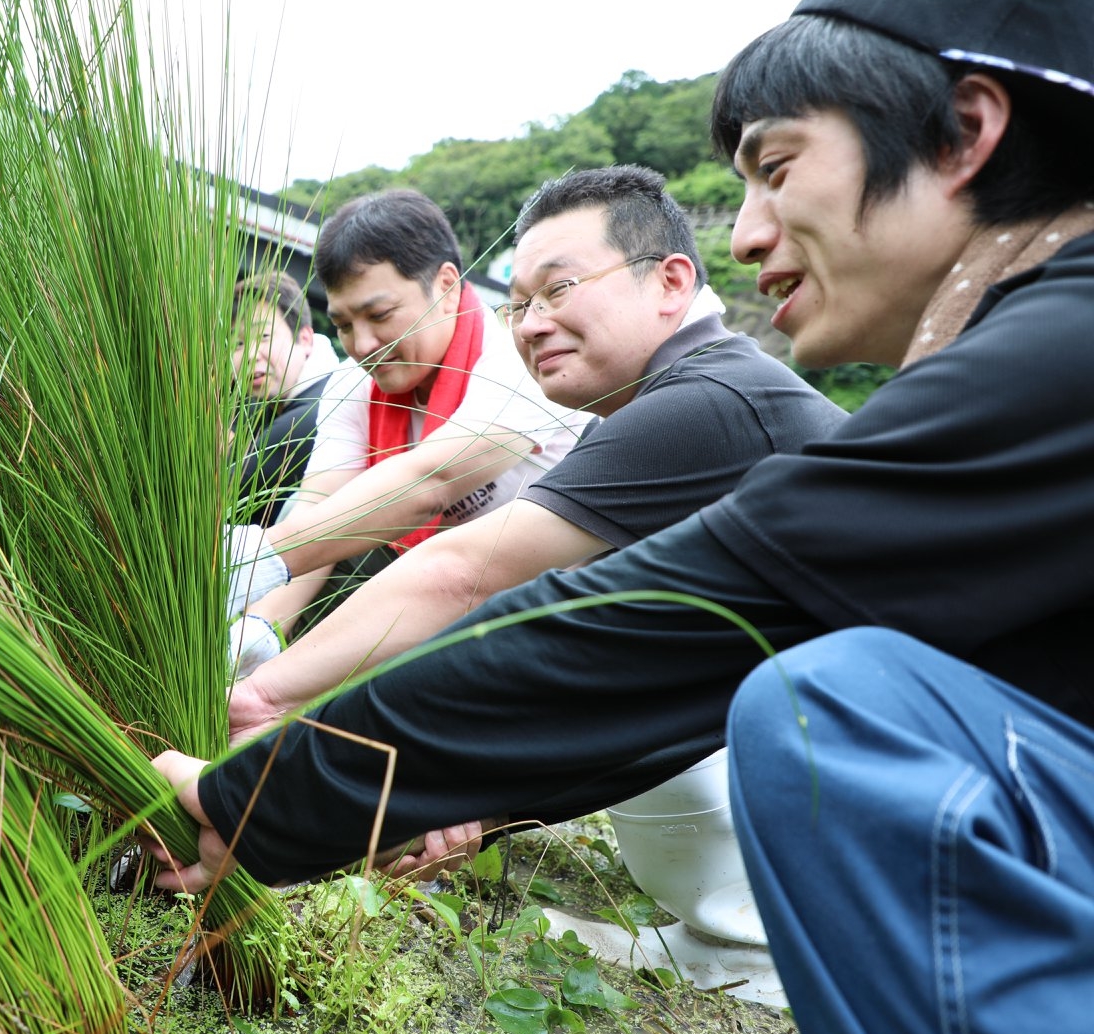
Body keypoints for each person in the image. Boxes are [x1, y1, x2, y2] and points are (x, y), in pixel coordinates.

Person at [154, 0, 1094, 1034]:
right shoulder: (1028, 344)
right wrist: (440, 796)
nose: (746, 231)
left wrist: (269, 787)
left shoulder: (1017, 357)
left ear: (966, 133)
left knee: (835, 701)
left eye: (778, 167)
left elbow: (609, 616)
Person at [229, 166, 845, 738]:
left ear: (671, 281)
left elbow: (452, 536)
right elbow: (317, 508)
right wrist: (259, 627)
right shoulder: (646, 399)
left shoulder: (693, 401)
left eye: (560, 289)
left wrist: (265, 690)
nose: (530, 323)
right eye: (522, 303)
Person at [225, 189, 592, 668]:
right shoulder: (351, 384)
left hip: (541, 607)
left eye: (379, 316)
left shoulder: (517, 362)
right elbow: (322, 505)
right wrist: (260, 628)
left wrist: (260, 557)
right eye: (343, 325)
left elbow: (431, 481)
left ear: (444, 286)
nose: (364, 344)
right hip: (425, 594)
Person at [230, 269, 346, 528]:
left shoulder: (313, 414)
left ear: (305, 338)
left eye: (264, 337)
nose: (250, 354)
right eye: (238, 343)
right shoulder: (269, 405)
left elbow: (217, 496)